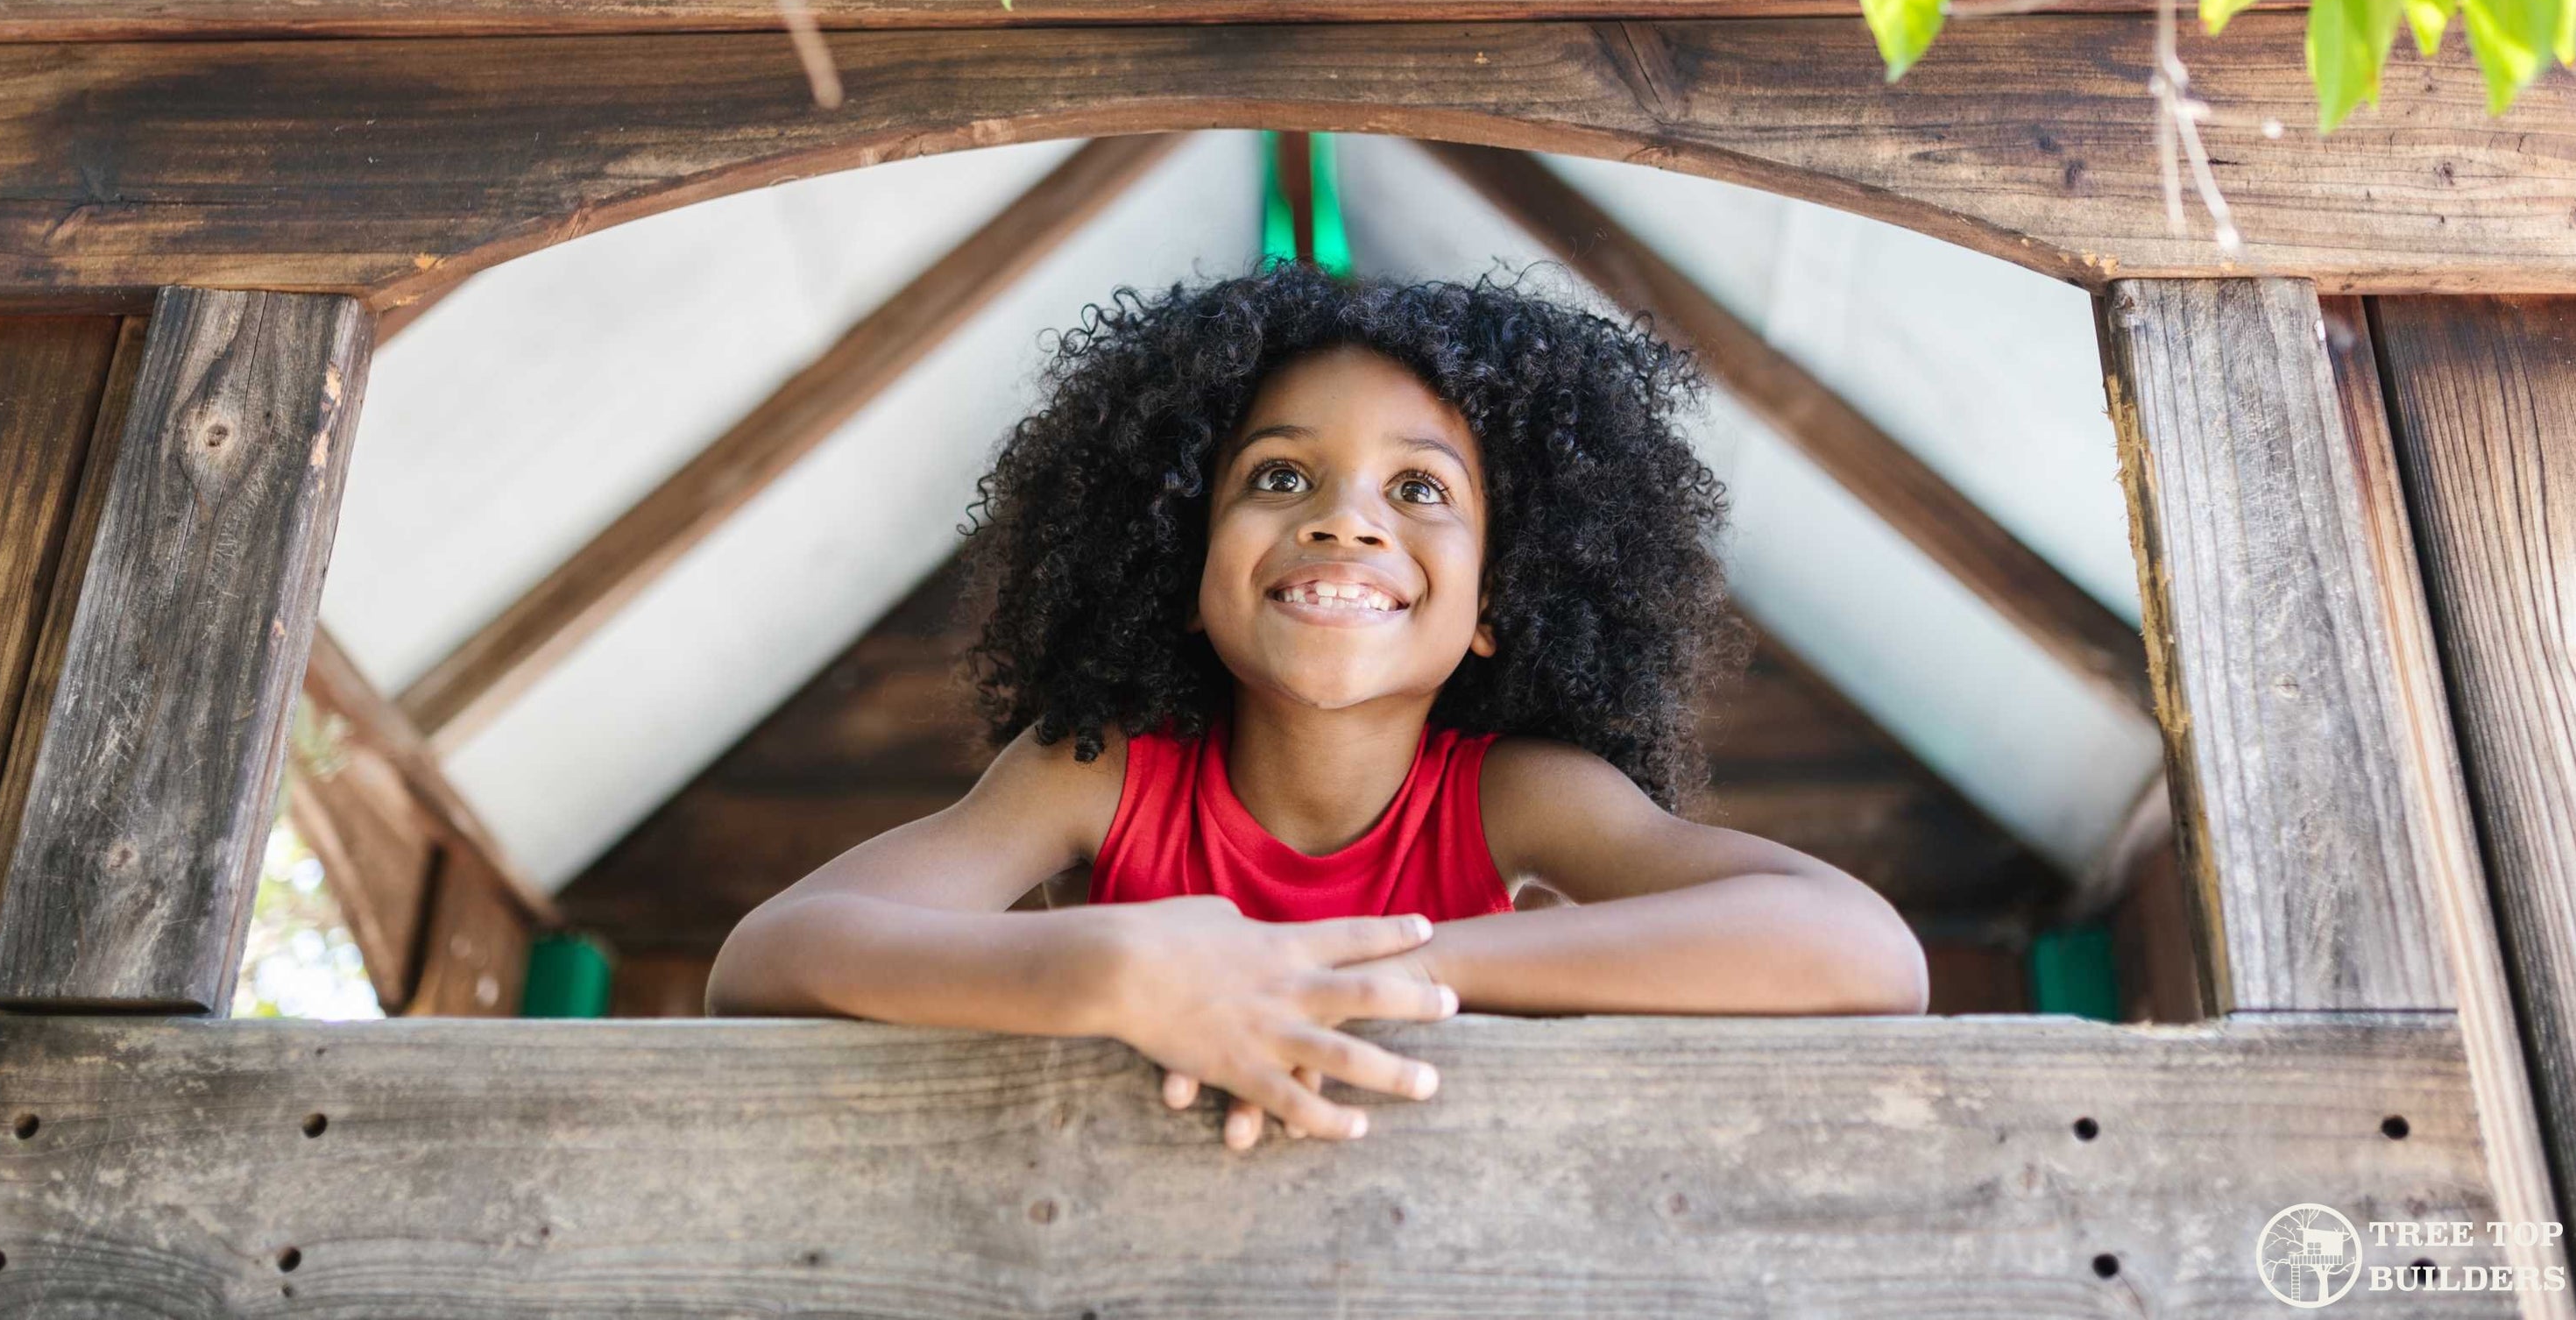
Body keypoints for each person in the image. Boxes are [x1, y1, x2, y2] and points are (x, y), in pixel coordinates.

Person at [709, 261, 1928, 1149]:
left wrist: (1347, 978)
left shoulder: (1515, 793)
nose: (1346, 519)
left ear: (1501, 601)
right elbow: (768, 961)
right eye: (1280, 475)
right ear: (1179, 571)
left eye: (1420, 487)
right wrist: (1115, 972)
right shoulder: (1096, 771)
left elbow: (1861, 952)